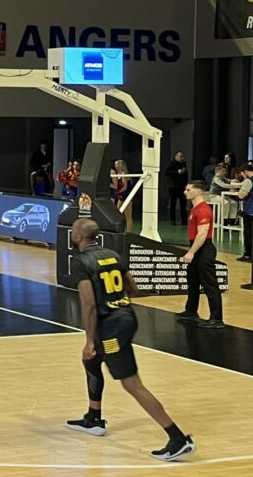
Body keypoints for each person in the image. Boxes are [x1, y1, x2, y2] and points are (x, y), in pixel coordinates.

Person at [64, 218, 195, 461]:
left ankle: (178, 438)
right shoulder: (113, 255)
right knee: (91, 361)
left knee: (132, 384)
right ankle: (93, 418)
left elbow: (89, 305)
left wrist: (89, 340)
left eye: (73, 232)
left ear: (78, 237)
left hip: (110, 327)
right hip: (126, 317)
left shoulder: (81, 262)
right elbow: (133, 290)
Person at [175, 181, 223, 328]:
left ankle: (217, 319)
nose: (185, 192)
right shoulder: (195, 209)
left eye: (188, 189)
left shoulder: (203, 210)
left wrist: (191, 252)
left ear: (198, 192)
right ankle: (191, 311)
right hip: (196, 247)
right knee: (193, 281)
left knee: (209, 284)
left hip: (203, 249)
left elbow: (202, 233)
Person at [165, 152, 188, 224]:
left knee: (183, 204)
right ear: (176, 156)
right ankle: (172, 220)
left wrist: (186, 185)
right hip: (173, 186)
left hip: (182, 186)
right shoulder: (171, 163)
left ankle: (184, 220)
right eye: (180, 157)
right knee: (173, 203)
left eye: (182, 157)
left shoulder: (183, 164)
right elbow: (166, 172)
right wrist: (177, 172)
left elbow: (186, 175)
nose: (182, 158)